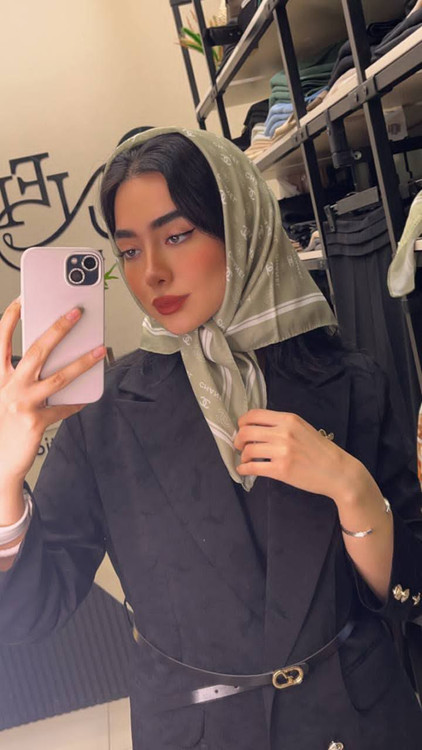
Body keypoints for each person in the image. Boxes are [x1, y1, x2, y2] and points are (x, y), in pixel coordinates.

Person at [0, 127, 421, 750]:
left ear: (242, 227)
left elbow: (408, 591)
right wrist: (4, 477)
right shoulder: (103, 415)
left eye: (177, 236)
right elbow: (32, 612)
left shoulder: (352, 381)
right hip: (198, 731)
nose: (152, 273)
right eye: (130, 250)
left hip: (356, 718)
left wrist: (353, 490)